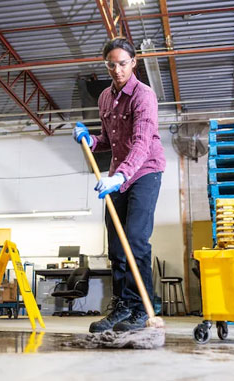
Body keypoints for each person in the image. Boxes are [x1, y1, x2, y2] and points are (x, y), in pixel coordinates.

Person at [73, 37, 166, 332]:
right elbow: (109, 140)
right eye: (110, 64)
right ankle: (122, 307)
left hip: (145, 172)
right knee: (116, 247)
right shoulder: (103, 98)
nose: (116, 70)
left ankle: (142, 308)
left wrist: (121, 176)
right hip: (117, 177)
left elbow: (141, 142)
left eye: (122, 64)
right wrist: (91, 140)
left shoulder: (144, 95)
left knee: (136, 240)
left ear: (133, 63)